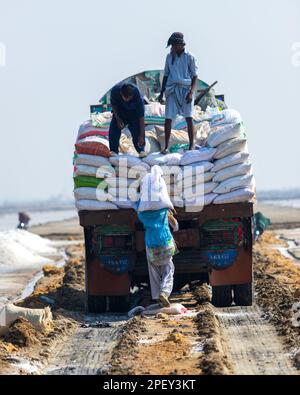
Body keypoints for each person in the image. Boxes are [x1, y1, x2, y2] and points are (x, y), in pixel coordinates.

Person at [158, 32, 198, 153]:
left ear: (180, 44)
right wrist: (162, 92)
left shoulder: (190, 57)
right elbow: (165, 75)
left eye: (174, 45)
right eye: (171, 46)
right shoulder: (169, 57)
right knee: (168, 118)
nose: (173, 48)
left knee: (189, 117)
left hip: (186, 89)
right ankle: (166, 146)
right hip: (172, 89)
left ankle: (191, 145)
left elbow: (195, 76)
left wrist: (191, 92)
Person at [137, 208, 178, 307]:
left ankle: (156, 297)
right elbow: (176, 226)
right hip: (165, 242)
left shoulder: (142, 213)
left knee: (153, 271)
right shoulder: (164, 211)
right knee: (168, 270)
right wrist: (170, 217)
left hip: (150, 244)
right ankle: (164, 292)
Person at [109, 82, 147, 157]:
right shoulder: (115, 91)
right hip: (120, 112)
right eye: (126, 98)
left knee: (137, 131)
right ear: (121, 93)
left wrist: (142, 135)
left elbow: (141, 117)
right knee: (114, 129)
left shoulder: (137, 95)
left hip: (134, 114)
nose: (127, 100)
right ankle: (113, 151)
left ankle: (141, 151)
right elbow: (113, 105)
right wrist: (118, 119)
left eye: (130, 98)